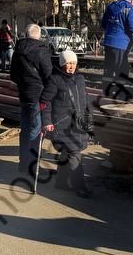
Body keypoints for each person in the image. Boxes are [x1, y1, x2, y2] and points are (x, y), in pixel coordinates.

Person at [40, 48, 94, 197]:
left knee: (66, 153)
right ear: (62, 63)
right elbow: (44, 101)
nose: (71, 66)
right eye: (68, 63)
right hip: (61, 125)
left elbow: (85, 100)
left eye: (73, 63)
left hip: (78, 124)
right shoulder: (54, 80)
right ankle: (81, 187)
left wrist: (89, 118)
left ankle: (61, 183)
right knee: (74, 152)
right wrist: (47, 121)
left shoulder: (80, 79)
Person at [10, 22, 53, 177]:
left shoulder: (18, 50)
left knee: (26, 130)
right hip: (38, 96)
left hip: (24, 95)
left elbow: (13, 75)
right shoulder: (42, 51)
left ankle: (23, 163)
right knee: (36, 132)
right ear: (39, 35)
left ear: (26, 35)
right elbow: (48, 75)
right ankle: (33, 167)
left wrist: (24, 84)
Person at [100, 0, 133, 98]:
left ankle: (106, 91)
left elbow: (103, 23)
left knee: (109, 68)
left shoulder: (111, 5)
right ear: (132, 1)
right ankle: (120, 93)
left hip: (108, 42)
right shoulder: (129, 9)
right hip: (121, 43)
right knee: (122, 69)